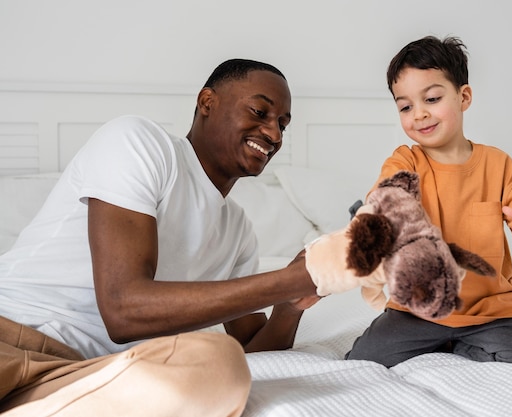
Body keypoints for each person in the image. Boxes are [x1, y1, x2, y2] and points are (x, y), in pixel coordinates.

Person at [0, 59, 323, 416]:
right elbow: (123, 310)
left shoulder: (238, 232)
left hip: (85, 374)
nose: (274, 134)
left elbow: (255, 354)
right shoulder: (140, 144)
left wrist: (290, 304)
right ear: (207, 103)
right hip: (12, 337)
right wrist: (285, 280)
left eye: (282, 125)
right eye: (260, 112)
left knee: (220, 365)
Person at [344, 36, 512, 369]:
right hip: (417, 308)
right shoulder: (406, 161)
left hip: (493, 309)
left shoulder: (498, 164)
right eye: (405, 106)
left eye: (431, 98)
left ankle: (460, 347)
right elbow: (385, 199)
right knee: (363, 360)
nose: (419, 114)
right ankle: (442, 341)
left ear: (463, 97)